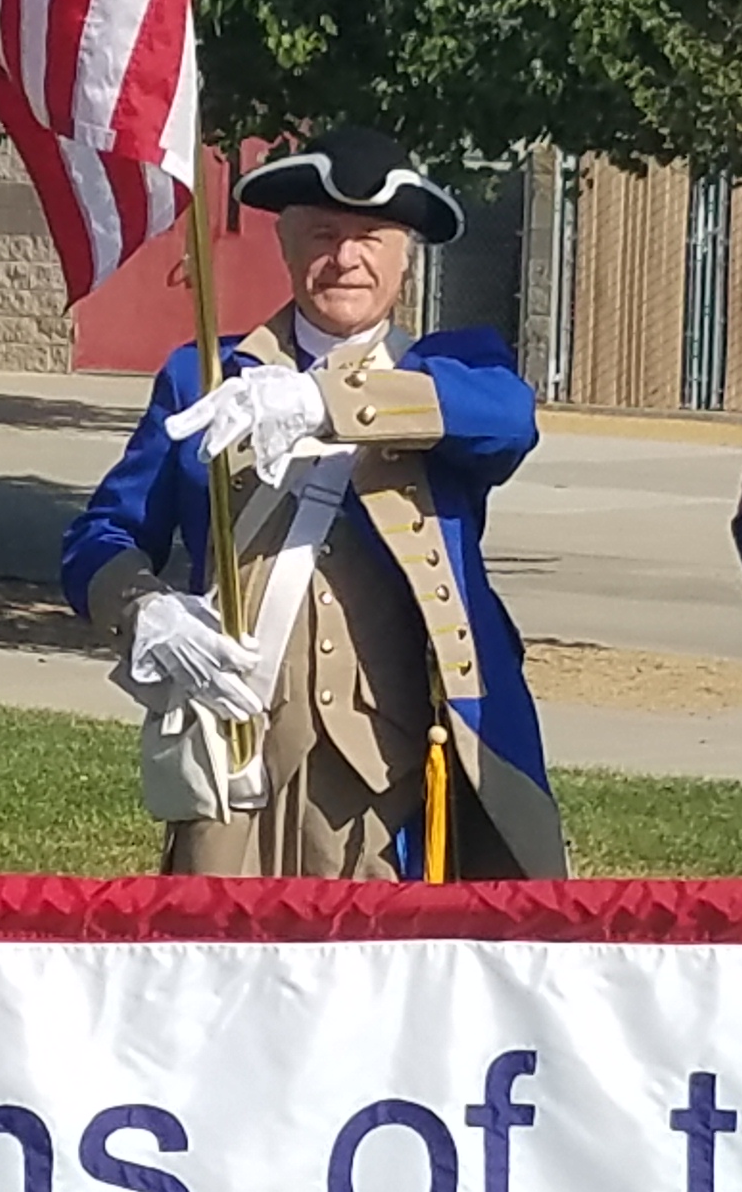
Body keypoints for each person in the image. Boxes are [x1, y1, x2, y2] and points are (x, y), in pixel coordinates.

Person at [63, 126, 565, 879]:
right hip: (237, 752)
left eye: (371, 238)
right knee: (215, 971)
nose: (346, 258)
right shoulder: (203, 374)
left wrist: (321, 400)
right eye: (324, 235)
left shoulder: (450, 371)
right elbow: (101, 535)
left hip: (393, 766)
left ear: (404, 256)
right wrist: (143, 608)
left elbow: (507, 419)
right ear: (289, 246)